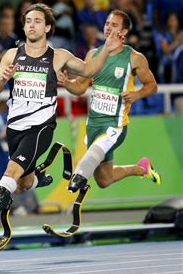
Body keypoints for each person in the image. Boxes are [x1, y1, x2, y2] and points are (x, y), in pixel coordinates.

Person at [0, 3, 122, 219]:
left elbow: (89, 70)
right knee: (22, 182)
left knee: (11, 170)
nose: (31, 25)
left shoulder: (59, 56)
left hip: (41, 127)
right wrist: (2, 78)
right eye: (28, 21)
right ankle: (38, 179)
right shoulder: (12, 55)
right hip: (15, 127)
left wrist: (107, 47)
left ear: (47, 27)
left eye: (37, 21)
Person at [58, 10, 161, 193]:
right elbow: (80, 87)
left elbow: (152, 86)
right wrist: (66, 83)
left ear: (124, 32)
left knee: (94, 153)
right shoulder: (92, 55)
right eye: (107, 24)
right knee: (104, 180)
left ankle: (78, 177)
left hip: (115, 124)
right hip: (93, 125)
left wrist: (136, 95)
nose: (108, 28)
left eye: (114, 25)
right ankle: (141, 168)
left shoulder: (134, 58)